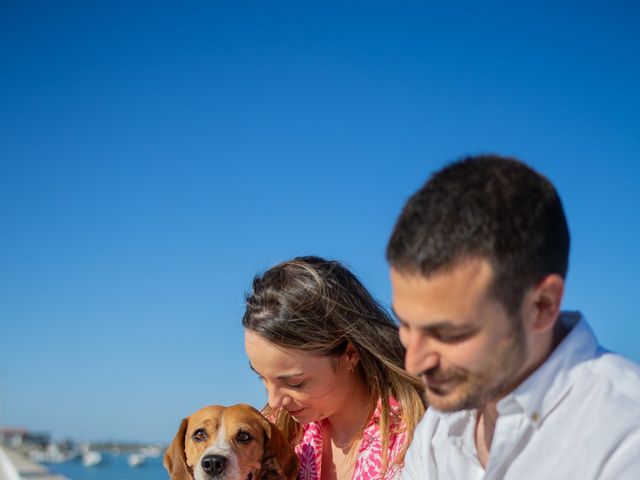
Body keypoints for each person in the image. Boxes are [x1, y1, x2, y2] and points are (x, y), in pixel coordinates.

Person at [386, 154, 640, 479]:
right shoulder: (441, 422)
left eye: (450, 334)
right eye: (406, 324)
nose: (415, 363)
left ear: (542, 306)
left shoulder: (625, 437)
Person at [243, 256, 426, 480]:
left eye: (295, 383)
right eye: (263, 378)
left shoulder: (422, 437)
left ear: (350, 354)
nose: (273, 401)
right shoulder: (267, 437)